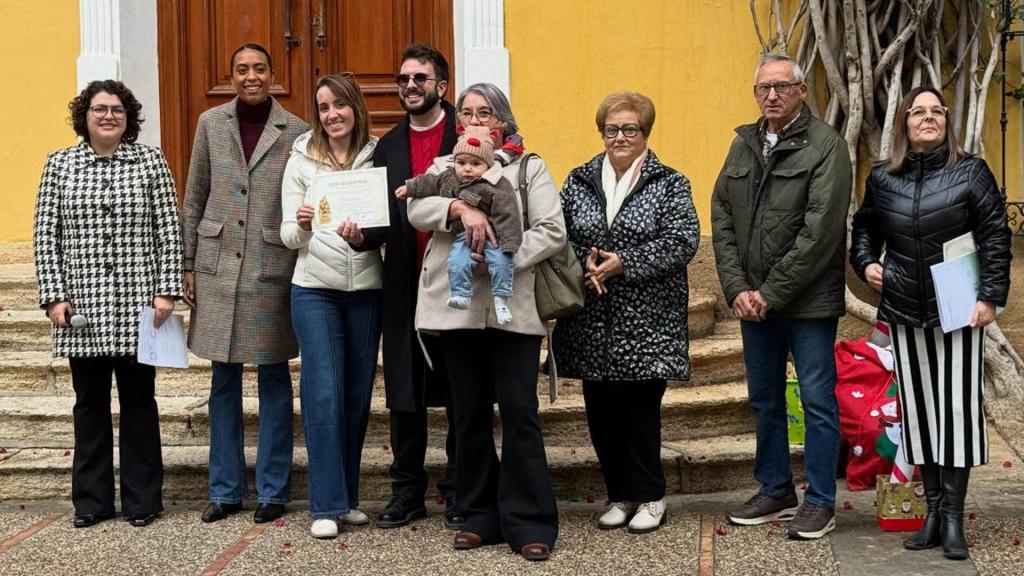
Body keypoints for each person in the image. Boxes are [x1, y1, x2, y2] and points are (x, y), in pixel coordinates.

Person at [850, 87, 1012, 560]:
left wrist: (990, 297)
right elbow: (865, 228)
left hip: (959, 308)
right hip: (904, 309)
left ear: (945, 120)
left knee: (957, 413)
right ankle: (933, 514)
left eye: (935, 111)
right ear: (904, 123)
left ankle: (955, 519)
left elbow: (995, 235)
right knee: (921, 416)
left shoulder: (971, 172)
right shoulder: (884, 178)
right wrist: (866, 262)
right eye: (917, 112)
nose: (927, 118)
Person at [406, 82, 564, 562]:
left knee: (519, 414)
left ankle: (529, 521)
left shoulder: (528, 167)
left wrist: (502, 255)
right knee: (468, 416)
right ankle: (478, 515)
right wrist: (459, 207)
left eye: (485, 112)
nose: (474, 120)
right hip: (457, 314)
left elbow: (552, 230)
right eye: (467, 113)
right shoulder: (445, 165)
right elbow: (416, 207)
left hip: (512, 309)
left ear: (502, 121)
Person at [711, 53, 852, 539]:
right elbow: (722, 216)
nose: (771, 95)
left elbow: (820, 232)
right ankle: (775, 488)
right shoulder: (743, 144)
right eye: (763, 88)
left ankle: (820, 500)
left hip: (807, 304)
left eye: (782, 87)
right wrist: (737, 288)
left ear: (801, 91)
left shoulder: (827, 146)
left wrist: (769, 292)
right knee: (764, 399)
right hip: (754, 304)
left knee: (816, 400)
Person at [33, 80, 182, 528]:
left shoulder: (150, 161)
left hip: (140, 306)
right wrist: (54, 296)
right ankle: (92, 502)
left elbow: (168, 229)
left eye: (117, 109)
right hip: (83, 310)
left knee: (139, 402)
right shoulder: (59, 164)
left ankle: (143, 500)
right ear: (85, 115)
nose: (108, 116)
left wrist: (167, 289)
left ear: (128, 117)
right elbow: (46, 235)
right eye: (99, 109)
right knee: (89, 404)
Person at [551, 92, 700, 534]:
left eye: (629, 129)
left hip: (648, 321)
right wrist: (587, 261)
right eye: (611, 129)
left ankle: (651, 495)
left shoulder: (670, 182)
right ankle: (620, 495)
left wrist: (624, 263)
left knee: (639, 413)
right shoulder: (579, 180)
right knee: (601, 414)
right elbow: (558, 234)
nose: (619, 137)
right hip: (591, 317)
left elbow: (682, 240)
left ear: (645, 133)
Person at [181, 43, 308, 525]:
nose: (251, 76)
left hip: (270, 267)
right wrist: (187, 263)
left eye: (259, 69)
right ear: (231, 76)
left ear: (273, 75)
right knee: (222, 381)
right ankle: (225, 490)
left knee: (275, 380)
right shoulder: (210, 124)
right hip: (217, 268)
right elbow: (195, 194)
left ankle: (273, 490)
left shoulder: (297, 131)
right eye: (241, 69)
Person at [339, 44, 461, 530]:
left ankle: (460, 488)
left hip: (458, 282)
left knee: (461, 389)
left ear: (441, 87)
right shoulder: (387, 148)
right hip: (405, 285)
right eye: (404, 79)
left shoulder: (465, 136)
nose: (410, 86)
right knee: (405, 393)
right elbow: (378, 221)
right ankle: (407, 490)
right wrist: (359, 237)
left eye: (420, 78)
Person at [279, 73, 382, 539]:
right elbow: (287, 234)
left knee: (356, 396)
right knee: (322, 392)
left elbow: (387, 224)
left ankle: (348, 498)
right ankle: (325, 504)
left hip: (367, 289)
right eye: (323, 107)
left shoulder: (378, 154)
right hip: (314, 287)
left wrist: (366, 237)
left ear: (355, 107)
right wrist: (303, 225)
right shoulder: (300, 158)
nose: (332, 115)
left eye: (339, 105)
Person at [400, 125, 521, 323]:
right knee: (457, 262)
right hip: (463, 237)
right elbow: (428, 183)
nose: (467, 168)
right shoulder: (447, 177)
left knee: (502, 264)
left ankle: (501, 300)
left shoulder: (497, 184)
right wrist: (409, 188)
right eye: (461, 162)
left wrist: (509, 244)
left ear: (487, 165)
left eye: (475, 163)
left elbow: (509, 215)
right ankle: (460, 294)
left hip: (495, 238)